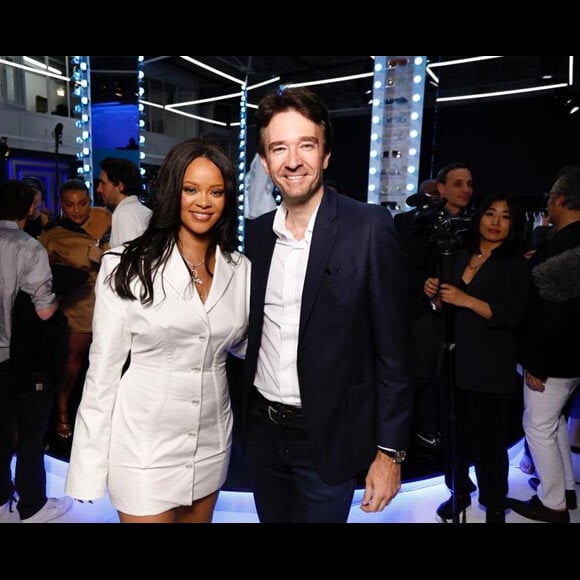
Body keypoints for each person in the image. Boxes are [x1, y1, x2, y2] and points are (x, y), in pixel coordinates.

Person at [240, 86, 414, 523]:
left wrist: (390, 452)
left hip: (330, 437)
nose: (292, 160)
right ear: (265, 161)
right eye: (278, 148)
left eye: (306, 145)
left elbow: (395, 352)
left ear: (326, 153)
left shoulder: (368, 227)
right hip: (262, 432)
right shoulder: (258, 234)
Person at [65, 138, 251, 524]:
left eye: (215, 191)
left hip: (210, 441)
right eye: (191, 189)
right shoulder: (127, 265)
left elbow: (244, 345)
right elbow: (102, 374)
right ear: (172, 192)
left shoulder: (240, 269)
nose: (204, 202)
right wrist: (86, 468)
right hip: (143, 447)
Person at [424, 192, 531, 523]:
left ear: (514, 224)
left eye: (505, 216)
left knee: (489, 444)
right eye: (490, 214)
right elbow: (447, 308)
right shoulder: (458, 254)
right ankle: (459, 492)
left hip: (491, 365)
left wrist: (466, 299)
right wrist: (435, 296)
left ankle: (494, 504)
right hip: (454, 361)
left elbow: (512, 315)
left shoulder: (515, 264)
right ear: (479, 217)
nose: (496, 222)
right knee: (453, 438)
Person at [508, 165, 580, 524]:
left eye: (551, 196)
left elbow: (553, 315)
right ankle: (565, 490)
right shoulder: (565, 243)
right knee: (552, 425)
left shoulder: (565, 247)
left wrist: (535, 361)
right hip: (569, 359)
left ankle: (553, 504)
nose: (547, 202)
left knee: (537, 426)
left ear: (562, 199)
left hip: (554, 359)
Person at [0, 179, 72, 523]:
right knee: (30, 431)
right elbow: (44, 310)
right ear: (29, 208)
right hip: (17, 355)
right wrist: (65, 292)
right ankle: (32, 506)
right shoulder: (29, 248)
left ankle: (1, 499)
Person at [39, 179, 112, 441]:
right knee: (73, 362)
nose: (77, 210)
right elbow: (42, 275)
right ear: (62, 205)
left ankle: (104, 420)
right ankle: (62, 412)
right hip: (77, 305)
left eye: (82, 204)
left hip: (109, 303)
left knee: (107, 366)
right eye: (70, 205)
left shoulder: (105, 218)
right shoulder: (52, 233)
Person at [394, 178, 443, 451]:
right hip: (412, 309)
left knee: (432, 376)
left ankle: (428, 429)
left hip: (446, 312)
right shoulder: (404, 223)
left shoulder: (463, 226)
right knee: (417, 373)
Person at [96, 157, 152, 247]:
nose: (99, 189)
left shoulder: (123, 214)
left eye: (103, 183)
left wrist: (100, 256)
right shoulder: (145, 211)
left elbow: (127, 259)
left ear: (120, 186)